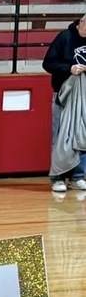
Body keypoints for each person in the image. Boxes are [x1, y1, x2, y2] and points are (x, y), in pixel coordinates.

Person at [41, 12, 86, 194]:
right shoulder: (64, 37)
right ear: (81, 23)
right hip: (63, 94)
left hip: (84, 96)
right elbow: (48, 63)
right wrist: (69, 69)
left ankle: (77, 176)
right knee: (60, 135)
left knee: (81, 135)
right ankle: (58, 177)